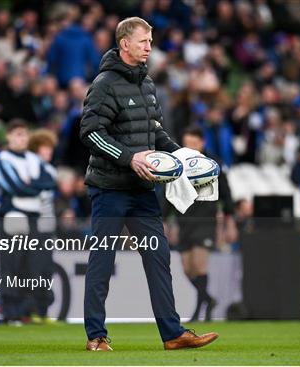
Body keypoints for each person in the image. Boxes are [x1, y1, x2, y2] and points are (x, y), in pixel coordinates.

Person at [79, 17, 218, 351]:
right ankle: (96, 336)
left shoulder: (147, 84)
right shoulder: (104, 84)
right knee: (103, 260)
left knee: (159, 259)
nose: (149, 47)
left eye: (151, 41)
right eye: (144, 41)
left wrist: (182, 155)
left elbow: (154, 132)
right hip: (110, 188)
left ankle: (172, 334)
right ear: (124, 44)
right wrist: (130, 158)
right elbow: (90, 132)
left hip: (142, 191)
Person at [166, 126, 236, 321]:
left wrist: (230, 223)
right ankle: (208, 299)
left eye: (194, 143)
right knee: (188, 268)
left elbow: (226, 194)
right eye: (187, 143)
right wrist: (165, 220)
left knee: (199, 264)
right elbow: (169, 194)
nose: (190, 147)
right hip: (184, 221)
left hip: (206, 221)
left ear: (202, 143)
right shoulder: (177, 165)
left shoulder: (213, 165)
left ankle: (199, 312)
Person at [0, 120, 57, 324]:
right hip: (13, 215)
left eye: (24, 134)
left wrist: (30, 185)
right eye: (18, 134)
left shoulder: (32, 158)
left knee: (30, 265)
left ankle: (26, 310)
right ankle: (9, 311)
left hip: (33, 218)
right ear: (8, 136)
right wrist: (33, 187)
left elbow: (48, 181)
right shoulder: (3, 159)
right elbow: (15, 187)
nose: (22, 139)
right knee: (11, 265)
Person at [26, 129, 58, 323]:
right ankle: (31, 310)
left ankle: (43, 311)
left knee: (46, 269)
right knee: (34, 269)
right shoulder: (30, 168)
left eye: (50, 148)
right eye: (45, 148)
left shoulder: (51, 171)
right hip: (34, 225)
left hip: (48, 226)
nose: (48, 152)